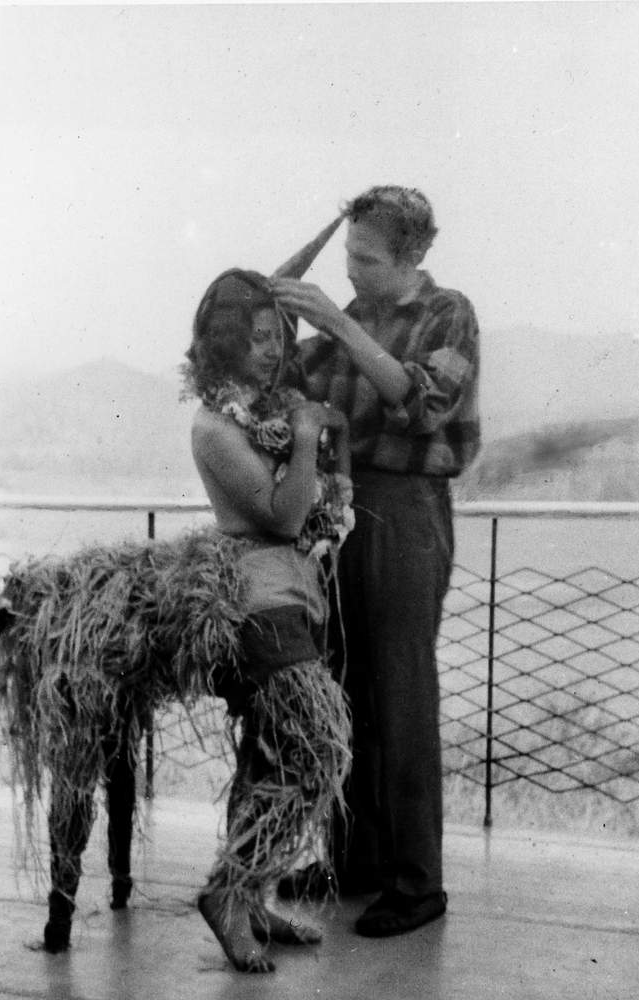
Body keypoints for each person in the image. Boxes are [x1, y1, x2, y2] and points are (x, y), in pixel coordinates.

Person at [271, 184, 481, 938]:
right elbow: (293, 387)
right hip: (341, 511)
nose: (352, 269)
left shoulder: (447, 312)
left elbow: (423, 402)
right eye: (348, 253)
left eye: (365, 257)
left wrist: (330, 319)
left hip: (406, 513)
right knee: (342, 687)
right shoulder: (352, 318)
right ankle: (355, 861)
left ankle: (418, 883)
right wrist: (267, 326)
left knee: (401, 696)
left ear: (413, 255)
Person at [185, 268, 353, 972]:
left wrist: (312, 439)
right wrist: (311, 437)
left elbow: (314, 505)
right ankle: (228, 890)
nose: (271, 349)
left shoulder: (269, 409)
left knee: (269, 756)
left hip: (293, 592)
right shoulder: (219, 426)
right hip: (257, 601)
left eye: (277, 336)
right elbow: (284, 516)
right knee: (320, 748)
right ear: (225, 343)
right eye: (255, 337)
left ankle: (251, 897)